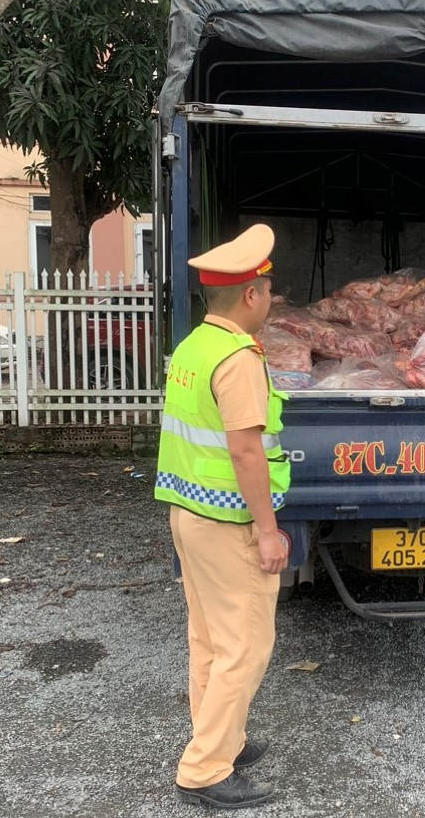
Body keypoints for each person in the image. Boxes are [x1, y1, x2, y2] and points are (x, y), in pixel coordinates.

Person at [155, 223, 291, 808]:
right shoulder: (238, 360)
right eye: (268, 289)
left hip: (188, 514)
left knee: (209, 641)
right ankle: (206, 769)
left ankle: (221, 740)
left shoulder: (193, 346)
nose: (270, 299)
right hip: (228, 524)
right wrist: (268, 532)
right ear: (251, 295)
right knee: (246, 647)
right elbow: (244, 451)